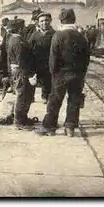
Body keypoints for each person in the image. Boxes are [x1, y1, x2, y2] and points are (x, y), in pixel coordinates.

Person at [36, 8, 90, 137]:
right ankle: (70, 127)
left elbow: (53, 59)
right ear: (74, 20)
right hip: (77, 75)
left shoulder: (58, 36)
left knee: (55, 100)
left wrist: (53, 74)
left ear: (61, 21)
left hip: (60, 75)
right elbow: (86, 58)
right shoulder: (81, 37)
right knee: (74, 100)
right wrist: (81, 74)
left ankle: (49, 127)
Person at [4, 19, 37, 130]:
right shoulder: (18, 41)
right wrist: (28, 74)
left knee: (24, 95)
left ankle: (23, 118)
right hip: (21, 71)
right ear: (19, 28)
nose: (24, 28)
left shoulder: (13, 39)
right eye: (23, 27)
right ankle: (19, 121)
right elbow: (21, 60)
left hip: (18, 71)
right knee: (22, 95)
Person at [28, 12, 55, 104]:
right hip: (36, 62)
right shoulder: (35, 35)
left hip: (49, 62)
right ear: (38, 23)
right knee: (33, 80)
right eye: (42, 21)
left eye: (46, 20)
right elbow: (29, 48)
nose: (44, 23)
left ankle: (45, 96)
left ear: (50, 21)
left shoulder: (54, 34)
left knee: (47, 81)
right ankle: (30, 97)